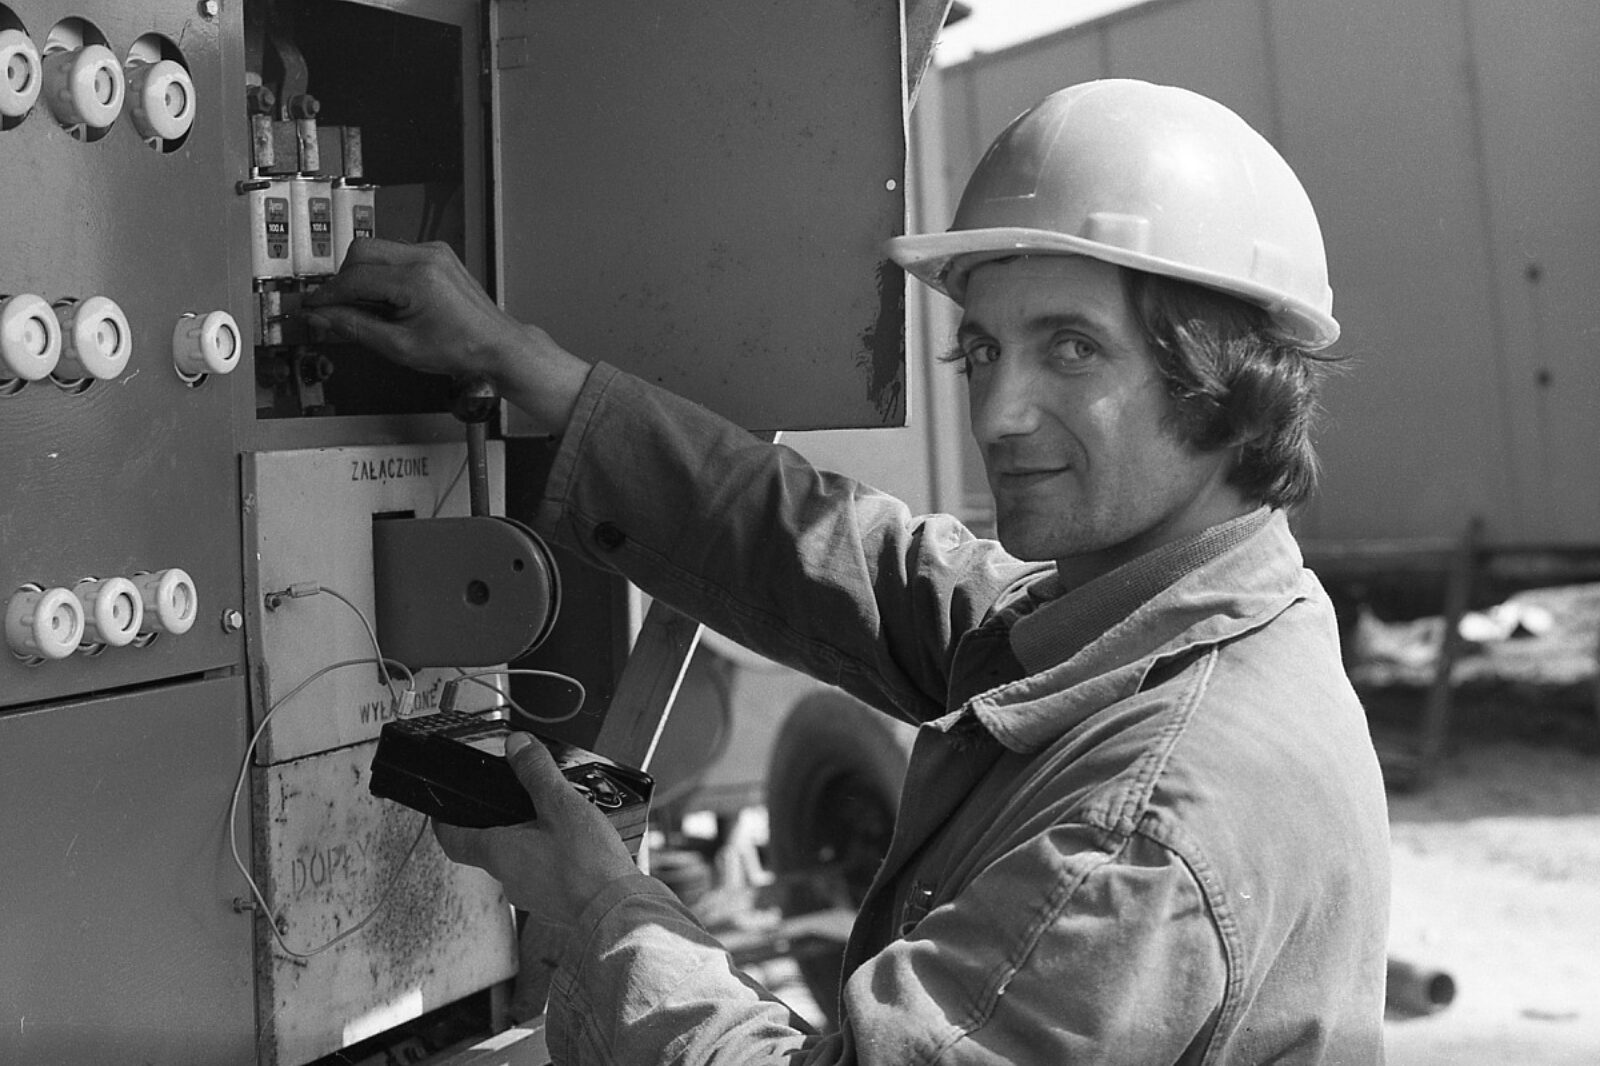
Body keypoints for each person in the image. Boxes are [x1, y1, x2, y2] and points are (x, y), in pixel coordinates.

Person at [306, 79, 1390, 1064]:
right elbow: (841, 560)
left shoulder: (1138, 835)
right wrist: (518, 362)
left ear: (1226, 378)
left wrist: (599, 903)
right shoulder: (1186, 619)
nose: (1000, 415)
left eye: (1072, 347)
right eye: (982, 351)